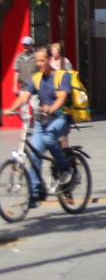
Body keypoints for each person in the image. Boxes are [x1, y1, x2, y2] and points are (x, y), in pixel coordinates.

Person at [2, 47, 73, 207]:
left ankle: (65, 168)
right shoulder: (36, 79)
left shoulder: (61, 76)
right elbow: (24, 96)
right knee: (34, 152)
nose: (39, 63)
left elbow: (62, 98)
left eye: (42, 60)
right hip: (42, 120)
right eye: (37, 60)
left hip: (60, 118)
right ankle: (35, 194)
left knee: (48, 138)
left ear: (49, 59)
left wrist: (53, 108)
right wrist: (12, 109)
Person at [13, 36, 36, 103]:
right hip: (23, 88)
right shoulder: (19, 57)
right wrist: (14, 86)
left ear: (31, 45)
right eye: (24, 45)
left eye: (27, 45)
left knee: (35, 108)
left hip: (34, 88)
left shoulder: (36, 56)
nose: (25, 46)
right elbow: (16, 72)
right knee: (24, 108)